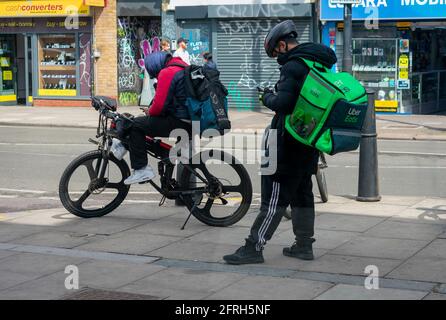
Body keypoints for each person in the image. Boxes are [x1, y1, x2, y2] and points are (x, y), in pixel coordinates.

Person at [223, 20, 337, 265]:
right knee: (302, 195)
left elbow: (283, 104)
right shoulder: (318, 64)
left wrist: (268, 97)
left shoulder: (293, 66)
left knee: (274, 197)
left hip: (287, 142)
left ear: (283, 44)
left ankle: (254, 247)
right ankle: (304, 245)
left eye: (276, 52)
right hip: (309, 142)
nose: (276, 57)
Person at [111, 51, 191, 185]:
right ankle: (123, 146)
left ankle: (141, 169)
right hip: (188, 121)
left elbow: (159, 105)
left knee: (136, 124)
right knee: (141, 122)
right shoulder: (181, 67)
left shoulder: (167, 72)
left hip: (180, 122)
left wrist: (150, 112)